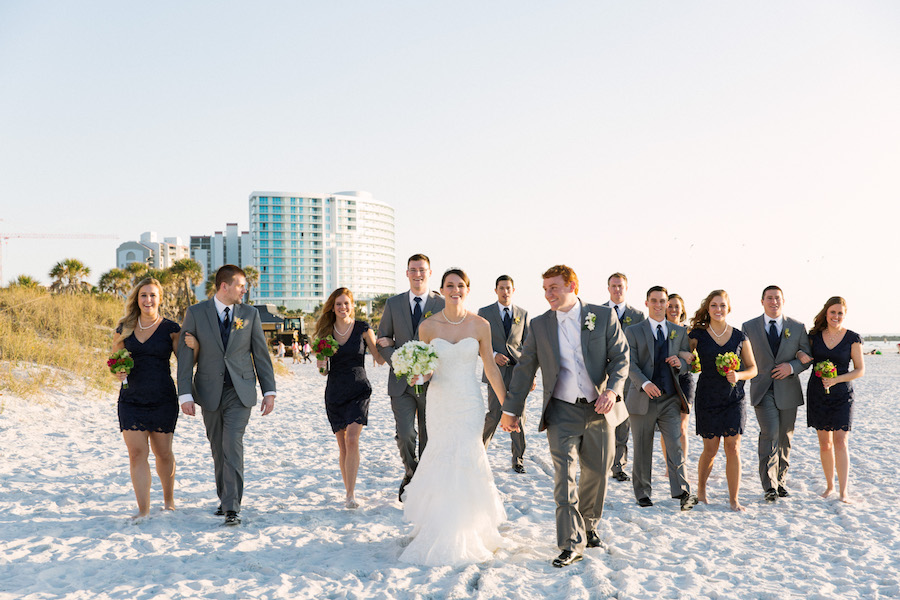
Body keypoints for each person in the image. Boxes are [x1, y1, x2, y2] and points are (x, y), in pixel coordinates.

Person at [501, 265, 629, 568]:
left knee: (598, 471)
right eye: (545, 288)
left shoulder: (602, 316)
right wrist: (511, 409)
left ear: (573, 286)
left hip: (600, 409)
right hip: (560, 410)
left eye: (554, 288)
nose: (548, 294)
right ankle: (570, 543)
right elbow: (524, 368)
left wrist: (611, 391)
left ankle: (588, 525)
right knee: (565, 477)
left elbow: (621, 358)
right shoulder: (540, 325)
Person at [398, 268, 509, 565]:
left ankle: (470, 527)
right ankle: (439, 525)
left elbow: (491, 368)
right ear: (441, 290)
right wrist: (417, 376)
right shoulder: (428, 327)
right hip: (440, 401)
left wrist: (507, 406)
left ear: (468, 290)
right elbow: (427, 367)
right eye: (449, 285)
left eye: (460, 285)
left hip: (470, 401)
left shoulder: (480, 324)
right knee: (442, 454)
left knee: (468, 456)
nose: (455, 290)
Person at [177, 265, 276, 526]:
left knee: (232, 444)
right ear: (225, 286)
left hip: (240, 392)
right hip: (208, 392)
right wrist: (184, 394)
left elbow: (261, 355)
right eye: (241, 285)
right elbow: (185, 356)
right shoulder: (196, 313)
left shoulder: (250, 314)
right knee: (218, 449)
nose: (245, 290)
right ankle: (225, 498)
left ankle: (233, 507)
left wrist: (269, 391)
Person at [111, 277, 185, 520]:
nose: (148, 300)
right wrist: (117, 371)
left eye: (153, 295)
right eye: (143, 295)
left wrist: (195, 345)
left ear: (160, 298)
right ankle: (143, 509)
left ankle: (169, 500)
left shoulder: (171, 329)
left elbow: (186, 362)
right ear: (137, 299)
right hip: (131, 399)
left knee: (163, 453)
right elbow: (114, 362)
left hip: (163, 398)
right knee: (136, 453)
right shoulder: (124, 328)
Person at [376, 253, 445, 501]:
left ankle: (421, 480)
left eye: (422, 270)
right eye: (413, 270)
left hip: (432, 383)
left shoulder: (441, 304)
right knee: (406, 435)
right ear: (406, 273)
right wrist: (399, 359)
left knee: (428, 436)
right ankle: (411, 472)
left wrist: (428, 367)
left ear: (429, 272)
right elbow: (382, 339)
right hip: (400, 383)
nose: (418, 274)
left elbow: (446, 342)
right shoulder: (393, 304)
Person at [624, 286, 698, 511]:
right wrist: (645, 384)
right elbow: (630, 363)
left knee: (675, 445)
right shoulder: (634, 331)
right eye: (654, 301)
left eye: (662, 301)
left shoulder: (679, 331)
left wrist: (681, 363)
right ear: (646, 303)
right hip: (641, 398)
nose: (658, 305)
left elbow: (687, 363)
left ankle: (683, 492)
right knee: (643, 447)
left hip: (670, 399)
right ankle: (643, 493)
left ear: (667, 304)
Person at [314, 287, 385, 509]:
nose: (343, 307)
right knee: (343, 446)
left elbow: (379, 359)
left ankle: (351, 494)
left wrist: (387, 343)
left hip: (359, 389)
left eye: (346, 303)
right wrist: (321, 365)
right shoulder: (325, 333)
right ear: (332, 308)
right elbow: (324, 371)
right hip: (334, 391)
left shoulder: (363, 328)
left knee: (352, 439)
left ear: (352, 305)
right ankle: (348, 492)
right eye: (338, 304)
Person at [688, 290, 757, 512]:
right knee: (710, 449)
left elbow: (753, 368)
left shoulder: (739, 336)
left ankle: (734, 499)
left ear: (729, 308)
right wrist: (687, 357)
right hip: (707, 396)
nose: (718, 309)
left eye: (722, 305)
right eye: (714, 305)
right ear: (708, 309)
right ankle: (700, 490)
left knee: (733, 447)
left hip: (734, 397)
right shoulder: (697, 335)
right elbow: (684, 356)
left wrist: (738, 375)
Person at [741, 286, 811, 502]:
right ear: (762, 301)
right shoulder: (748, 326)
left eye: (777, 298)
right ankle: (769, 485)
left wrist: (791, 367)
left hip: (788, 388)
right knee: (769, 434)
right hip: (762, 389)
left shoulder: (797, 327)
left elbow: (807, 357)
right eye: (769, 298)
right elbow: (743, 356)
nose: (773, 302)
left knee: (785, 438)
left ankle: (781, 481)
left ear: (783, 300)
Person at [800, 296, 865, 503]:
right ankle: (829, 486)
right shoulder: (815, 336)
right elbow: (800, 351)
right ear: (826, 313)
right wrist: (801, 353)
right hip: (818, 393)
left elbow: (860, 370)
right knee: (825, 444)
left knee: (841, 441)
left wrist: (837, 379)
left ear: (844, 315)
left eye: (840, 313)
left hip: (842, 394)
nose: (836, 316)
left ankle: (843, 491)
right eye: (833, 312)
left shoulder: (852, 338)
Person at [478, 275, 530, 473]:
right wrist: (492, 355)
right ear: (496, 290)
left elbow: (528, 347)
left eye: (508, 288)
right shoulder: (484, 313)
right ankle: (480, 452)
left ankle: (518, 459)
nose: (505, 291)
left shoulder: (523, 314)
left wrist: (531, 375)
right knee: (494, 414)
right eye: (501, 288)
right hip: (495, 372)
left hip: (518, 373)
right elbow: (478, 342)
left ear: (513, 290)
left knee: (519, 415)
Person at [606, 272, 645, 483]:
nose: (617, 289)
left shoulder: (637, 316)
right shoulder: (598, 312)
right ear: (608, 288)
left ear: (626, 288)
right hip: (604, 376)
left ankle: (619, 466)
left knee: (623, 422)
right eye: (613, 286)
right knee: (603, 421)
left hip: (629, 377)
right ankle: (603, 461)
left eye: (620, 286)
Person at [660, 293, 695, 472]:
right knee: (667, 426)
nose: (673, 309)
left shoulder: (690, 332)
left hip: (684, 380)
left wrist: (689, 357)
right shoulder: (660, 329)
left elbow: (693, 358)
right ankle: (669, 465)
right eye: (670, 305)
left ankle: (682, 464)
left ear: (682, 310)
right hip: (665, 379)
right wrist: (681, 354)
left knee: (682, 426)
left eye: (677, 306)